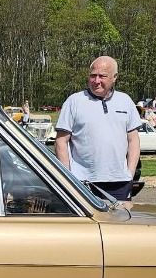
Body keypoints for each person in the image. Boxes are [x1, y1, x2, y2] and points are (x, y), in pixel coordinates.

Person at [54, 56, 142, 202]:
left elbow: (133, 140)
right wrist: (68, 177)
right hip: (82, 182)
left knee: (119, 222)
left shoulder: (125, 101)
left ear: (115, 77)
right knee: (85, 225)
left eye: (102, 76)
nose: (96, 81)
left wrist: (129, 174)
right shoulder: (74, 101)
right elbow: (61, 142)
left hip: (119, 183)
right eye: (93, 76)